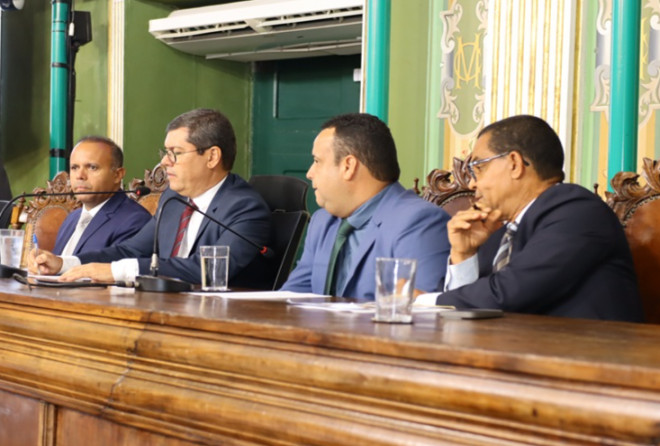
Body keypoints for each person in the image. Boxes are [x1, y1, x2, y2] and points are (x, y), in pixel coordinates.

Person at [431, 114, 643, 321]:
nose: (472, 184)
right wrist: (464, 255)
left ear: (514, 163)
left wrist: (428, 302)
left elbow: (510, 292)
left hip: (583, 344)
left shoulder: (578, 211)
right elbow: (470, 307)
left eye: (479, 168)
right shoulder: (497, 232)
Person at [30, 108, 271, 285]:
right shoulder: (173, 199)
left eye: (176, 153)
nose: (165, 162)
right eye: (165, 152)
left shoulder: (245, 207)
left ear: (212, 157)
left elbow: (207, 270)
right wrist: (65, 263)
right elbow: (130, 251)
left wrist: (116, 272)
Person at [281, 113, 451, 301]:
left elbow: (420, 308)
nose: (309, 173)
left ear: (348, 166)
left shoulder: (420, 222)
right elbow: (290, 299)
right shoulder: (322, 222)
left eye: (317, 161)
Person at [52, 136, 152, 256]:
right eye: (74, 168)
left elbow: (111, 266)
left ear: (117, 175)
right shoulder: (71, 218)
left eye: (92, 167)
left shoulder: (134, 220)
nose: (80, 175)